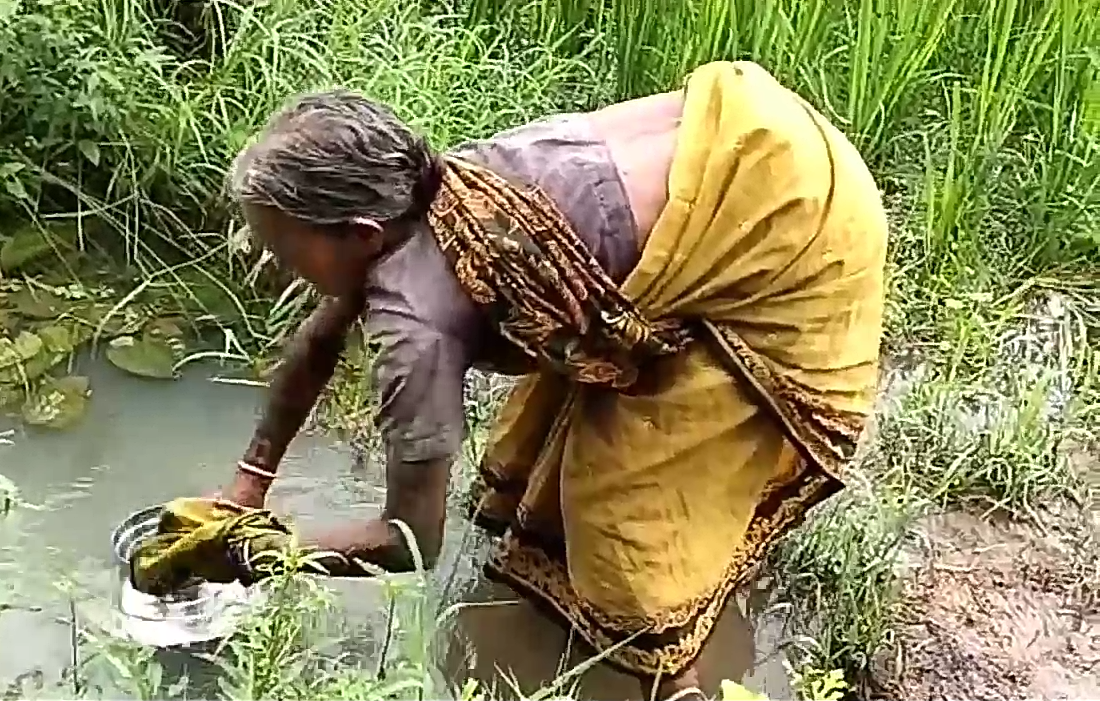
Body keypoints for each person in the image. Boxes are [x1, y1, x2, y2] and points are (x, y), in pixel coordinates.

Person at [217, 61, 887, 699]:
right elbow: (320, 337)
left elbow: (412, 540)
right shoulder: (431, 193)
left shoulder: (414, 330)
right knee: (574, 448)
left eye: (285, 246)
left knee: (624, 530)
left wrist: (258, 551)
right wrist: (249, 480)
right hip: (751, 128)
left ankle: (674, 675)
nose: (276, 261)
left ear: (362, 234)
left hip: (792, 219)